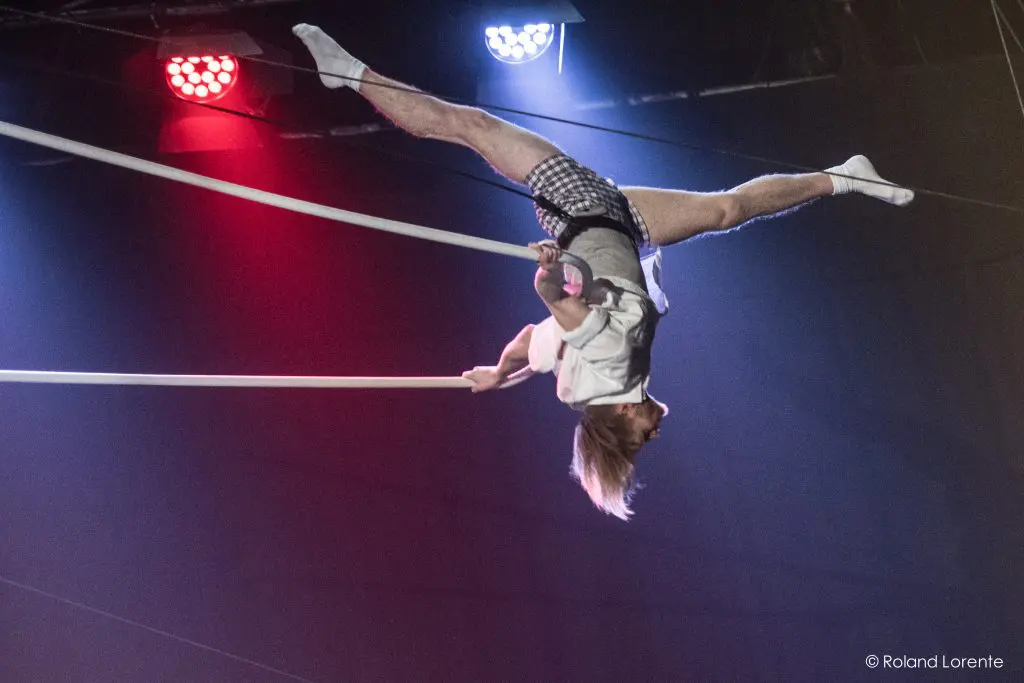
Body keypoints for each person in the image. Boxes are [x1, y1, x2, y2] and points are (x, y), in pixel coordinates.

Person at [292, 23, 915, 519]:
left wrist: (557, 277)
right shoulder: (580, 386)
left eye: (642, 440)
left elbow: (564, 305)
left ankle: (351, 75)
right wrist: (498, 372)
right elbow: (532, 341)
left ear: (620, 420)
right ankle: (843, 177)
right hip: (625, 224)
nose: (655, 434)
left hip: (582, 210)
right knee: (727, 210)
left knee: (469, 126)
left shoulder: (611, 370)